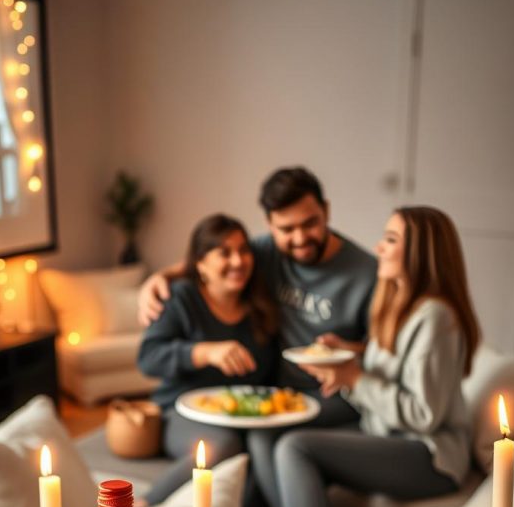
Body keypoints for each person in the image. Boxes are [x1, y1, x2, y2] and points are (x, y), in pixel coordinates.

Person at [270, 206, 480, 507]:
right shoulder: (401, 305)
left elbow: (424, 414)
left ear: (421, 251)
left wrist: (354, 377)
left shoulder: (437, 316)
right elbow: (399, 371)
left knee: (295, 446)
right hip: (386, 433)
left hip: (429, 455)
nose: (379, 248)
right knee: (279, 440)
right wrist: (350, 359)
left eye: (391, 239)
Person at [138, 166, 377, 425]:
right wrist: (159, 277)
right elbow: (212, 259)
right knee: (256, 443)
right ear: (270, 226)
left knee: (269, 443)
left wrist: (350, 350)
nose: (300, 239)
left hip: (333, 393)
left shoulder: (367, 273)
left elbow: (388, 351)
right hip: (278, 391)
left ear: (326, 211)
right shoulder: (265, 252)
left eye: (310, 224)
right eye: (287, 229)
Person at [137, 213, 278, 506]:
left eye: (243, 250)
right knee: (224, 445)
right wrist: (204, 352)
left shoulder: (260, 305)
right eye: (224, 253)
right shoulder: (180, 297)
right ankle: (143, 506)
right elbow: (148, 359)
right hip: (179, 412)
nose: (238, 261)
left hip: (242, 416)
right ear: (200, 263)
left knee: (258, 453)